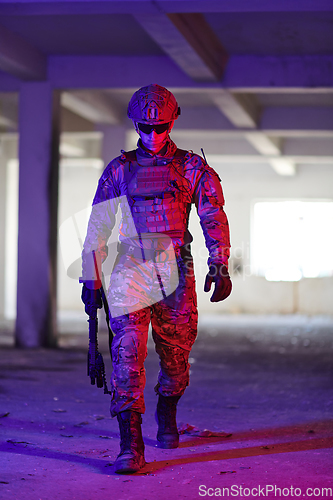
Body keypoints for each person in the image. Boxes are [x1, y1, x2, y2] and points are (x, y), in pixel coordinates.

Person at [81, 84, 231, 474]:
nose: (152, 134)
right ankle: (131, 445)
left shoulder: (193, 168)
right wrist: (91, 274)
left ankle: (167, 409)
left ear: (173, 119)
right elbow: (100, 223)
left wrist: (220, 263)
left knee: (176, 355)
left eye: (160, 125)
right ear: (135, 123)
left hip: (176, 270)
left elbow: (213, 215)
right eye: (145, 126)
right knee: (126, 356)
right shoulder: (119, 169)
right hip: (130, 267)